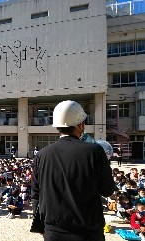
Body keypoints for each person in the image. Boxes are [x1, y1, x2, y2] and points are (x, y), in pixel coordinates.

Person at [32, 100, 115, 241]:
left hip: (53, 230)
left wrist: (40, 227)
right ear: (80, 124)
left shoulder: (42, 154)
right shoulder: (95, 151)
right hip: (88, 230)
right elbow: (107, 190)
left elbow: (36, 193)